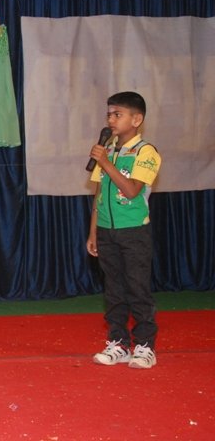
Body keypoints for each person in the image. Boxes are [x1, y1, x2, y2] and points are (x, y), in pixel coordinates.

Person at [86, 91, 162, 369]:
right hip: (107, 230)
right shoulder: (107, 150)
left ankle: (145, 346)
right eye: (109, 114)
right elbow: (99, 195)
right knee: (114, 290)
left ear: (137, 119)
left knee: (137, 288)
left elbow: (131, 191)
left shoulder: (145, 152)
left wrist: (106, 163)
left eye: (118, 114)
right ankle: (118, 343)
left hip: (133, 232)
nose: (111, 120)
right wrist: (93, 232)